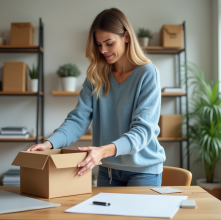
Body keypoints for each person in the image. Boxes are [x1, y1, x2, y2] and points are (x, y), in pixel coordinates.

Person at [27, 8, 166, 187]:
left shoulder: (147, 73)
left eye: (109, 43)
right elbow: (78, 120)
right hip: (107, 171)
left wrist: (103, 151)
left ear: (126, 36)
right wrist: (49, 144)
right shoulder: (96, 76)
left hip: (143, 171)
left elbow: (143, 131)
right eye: (99, 44)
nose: (103, 50)